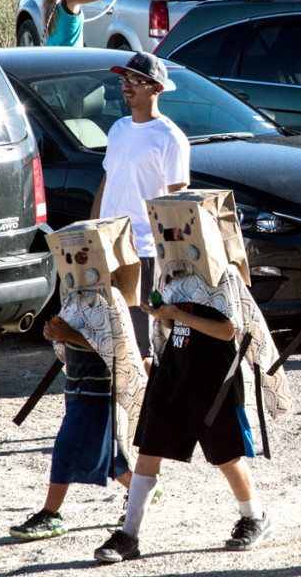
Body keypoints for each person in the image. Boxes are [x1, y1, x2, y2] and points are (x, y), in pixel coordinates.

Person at [93, 192, 291, 563]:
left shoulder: (224, 274)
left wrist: (176, 315)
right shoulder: (171, 269)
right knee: (149, 451)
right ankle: (128, 535)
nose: (175, 238)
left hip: (213, 378)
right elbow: (170, 324)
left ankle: (255, 517)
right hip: (174, 372)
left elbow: (228, 330)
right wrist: (162, 314)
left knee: (225, 456)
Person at [10, 218, 150, 542]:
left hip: (97, 390)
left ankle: (51, 514)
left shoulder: (109, 296)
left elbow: (114, 344)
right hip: (75, 386)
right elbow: (69, 341)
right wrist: (55, 335)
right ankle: (144, 490)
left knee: (66, 449)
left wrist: (68, 333)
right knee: (112, 458)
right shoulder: (73, 293)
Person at [90, 52, 190, 375]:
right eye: (124, 79)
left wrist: (176, 264)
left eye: (136, 80)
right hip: (107, 249)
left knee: (140, 347)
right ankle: (120, 418)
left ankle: (150, 421)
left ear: (156, 88)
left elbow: (179, 205)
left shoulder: (171, 138)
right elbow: (107, 184)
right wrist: (91, 235)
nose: (126, 86)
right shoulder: (118, 129)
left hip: (143, 253)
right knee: (107, 339)